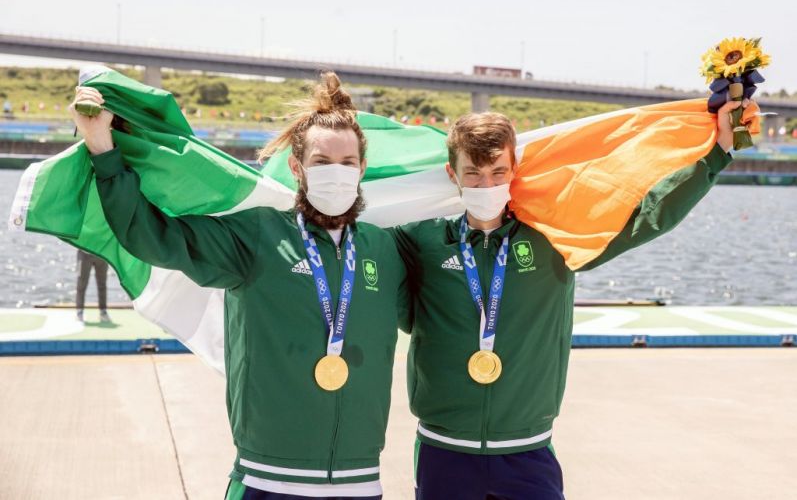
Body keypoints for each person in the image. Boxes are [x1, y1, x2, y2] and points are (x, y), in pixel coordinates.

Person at [70, 72, 408, 500]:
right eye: (322, 162)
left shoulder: (386, 248)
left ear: (362, 167)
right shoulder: (258, 235)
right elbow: (154, 236)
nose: (336, 174)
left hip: (360, 482)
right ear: (297, 167)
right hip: (266, 479)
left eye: (347, 163)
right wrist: (102, 146)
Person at [392, 100, 744, 500]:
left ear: (514, 171)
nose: (486, 185)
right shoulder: (419, 241)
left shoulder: (555, 237)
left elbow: (649, 216)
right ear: (451, 174)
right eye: (472, 173)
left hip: (527, 452)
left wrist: (719, 153)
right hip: (444, 451)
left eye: (498, 172)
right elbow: (356, 235)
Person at [75, 249, 111, 323]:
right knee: (81, 284)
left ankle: (103, 312)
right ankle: (79, 312)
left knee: (102, 284)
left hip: (101, 253)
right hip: (84, 254)